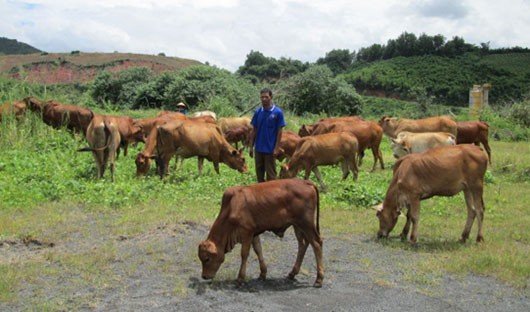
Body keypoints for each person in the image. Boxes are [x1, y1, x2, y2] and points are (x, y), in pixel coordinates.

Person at [249, 88, 286, 182]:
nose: (264, 99)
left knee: (271, 175)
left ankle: (273, 195)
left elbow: (279, 131)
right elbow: (254, 129)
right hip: (258, 149)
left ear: (271, 97)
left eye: (266, 97)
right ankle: (261, 195)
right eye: (262, 97)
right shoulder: (258, 112)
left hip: (270, 150)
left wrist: (277, 148)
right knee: (259, 174)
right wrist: (251, 146)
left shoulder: (277, 112)